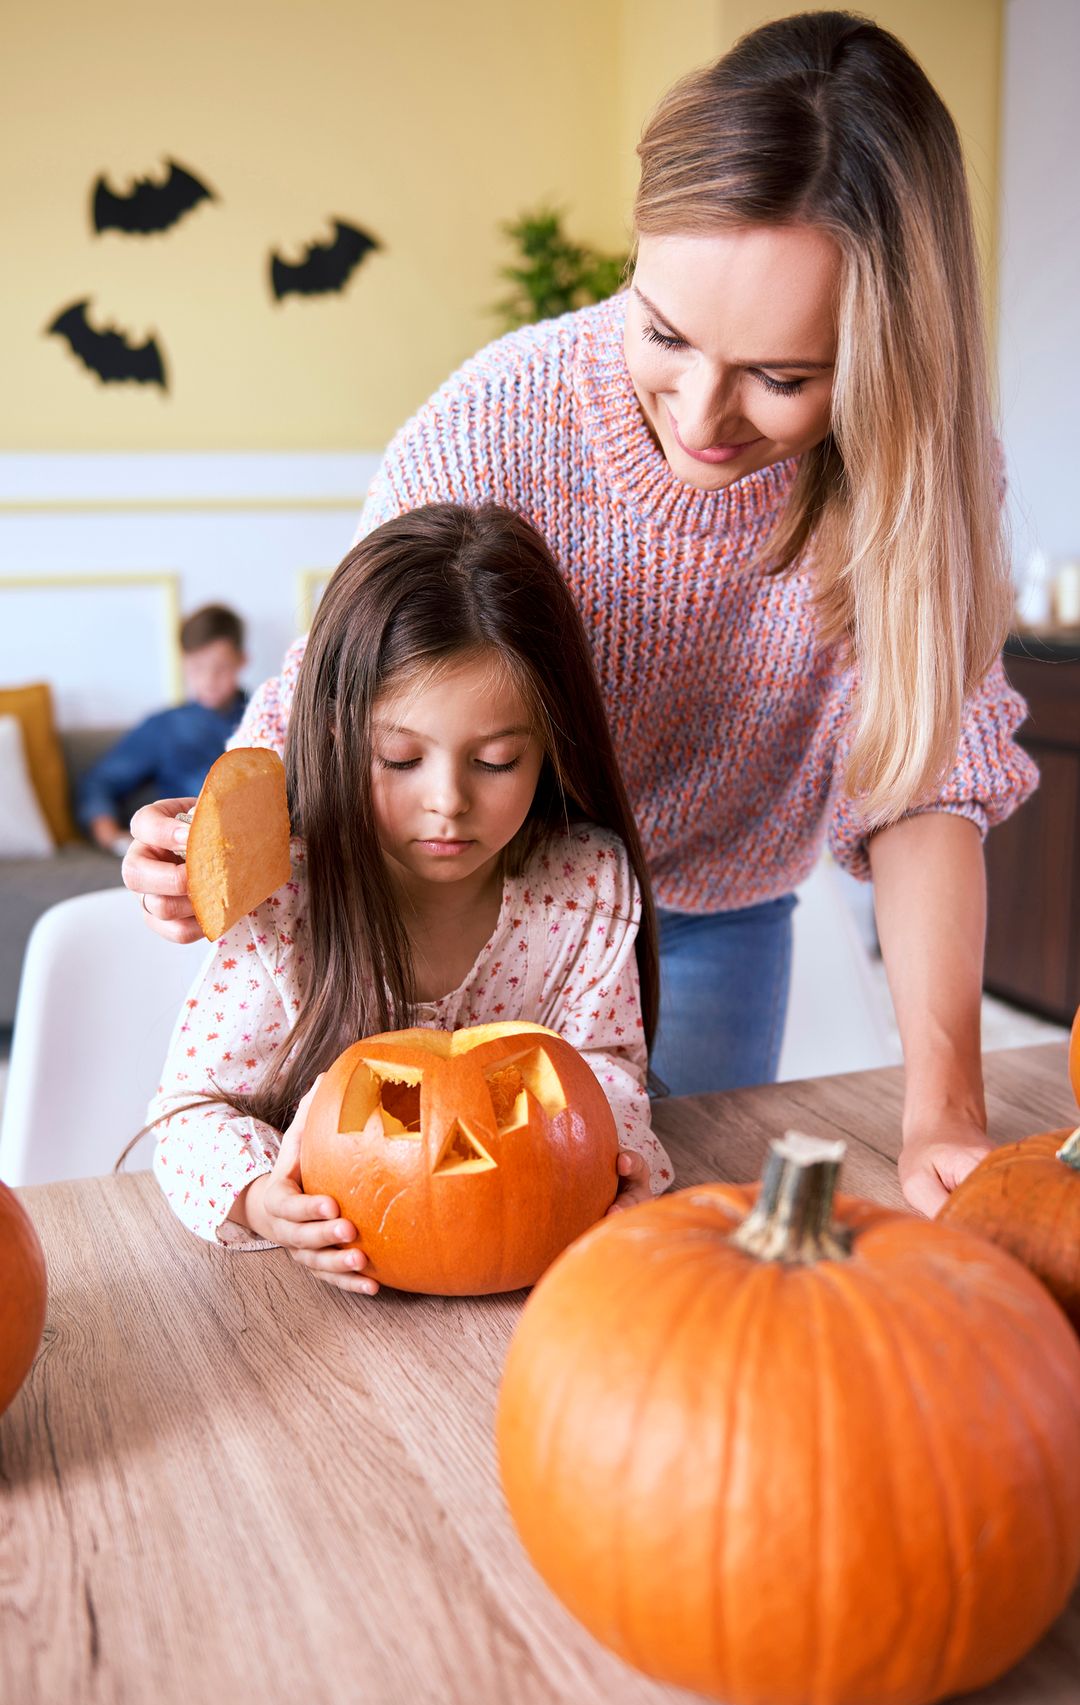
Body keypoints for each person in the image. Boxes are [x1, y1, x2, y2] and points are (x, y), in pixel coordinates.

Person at [127, 12, 1036, 1216]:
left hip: (712, 916)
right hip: (458, 895)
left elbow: (926, 783)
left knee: (658, 1236)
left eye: (783, 376)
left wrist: (945, 1114)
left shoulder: (923, 480)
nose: (702, 412)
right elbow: (347, 678)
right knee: (425, 1228)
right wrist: (215, 824)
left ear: (887, 353)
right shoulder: (499, 422)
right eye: (664, 331)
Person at [149, 505, 671, 1292]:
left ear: (551, 745)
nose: (447, 803)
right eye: (399, 758)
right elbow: (189, 1115)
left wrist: (614, 1158)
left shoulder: (584, 886)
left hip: (545, 1296)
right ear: (332, 739)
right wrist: (261, 1200)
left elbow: (608, 1069)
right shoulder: (286, 898)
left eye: (495, 762)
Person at [78, 602, 248, 853]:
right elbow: (100, 782)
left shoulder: (271, 716)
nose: (209, 680)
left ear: (241, 660)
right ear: (183, 664)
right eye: (197, 668)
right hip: (190, 843)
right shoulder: (165, 727)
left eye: (221, 667)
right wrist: (112, 837)